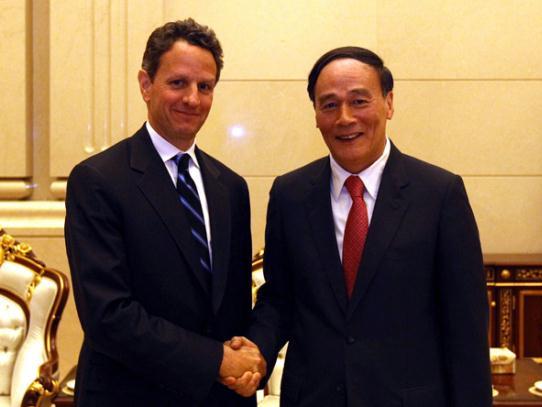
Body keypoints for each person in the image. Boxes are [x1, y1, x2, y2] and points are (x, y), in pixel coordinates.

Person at [241, 47, 492, 406]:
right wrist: (256, 352)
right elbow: (280, 300)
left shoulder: (439, 195)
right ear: (315, 114)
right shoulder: (290, 195)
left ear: (389, 103)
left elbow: (465, 328)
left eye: (359, 101)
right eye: (329, 105)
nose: (345, 118)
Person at [65, 19, 264, 407]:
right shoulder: (98, 180)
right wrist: (217, 360)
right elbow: (109, 316)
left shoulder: (231, 187)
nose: (193, 98)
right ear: (145, 84)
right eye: (178, 83)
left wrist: (249, 361)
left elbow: (235, 308)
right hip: (130, 396)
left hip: (220, 399)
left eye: (204, 86)